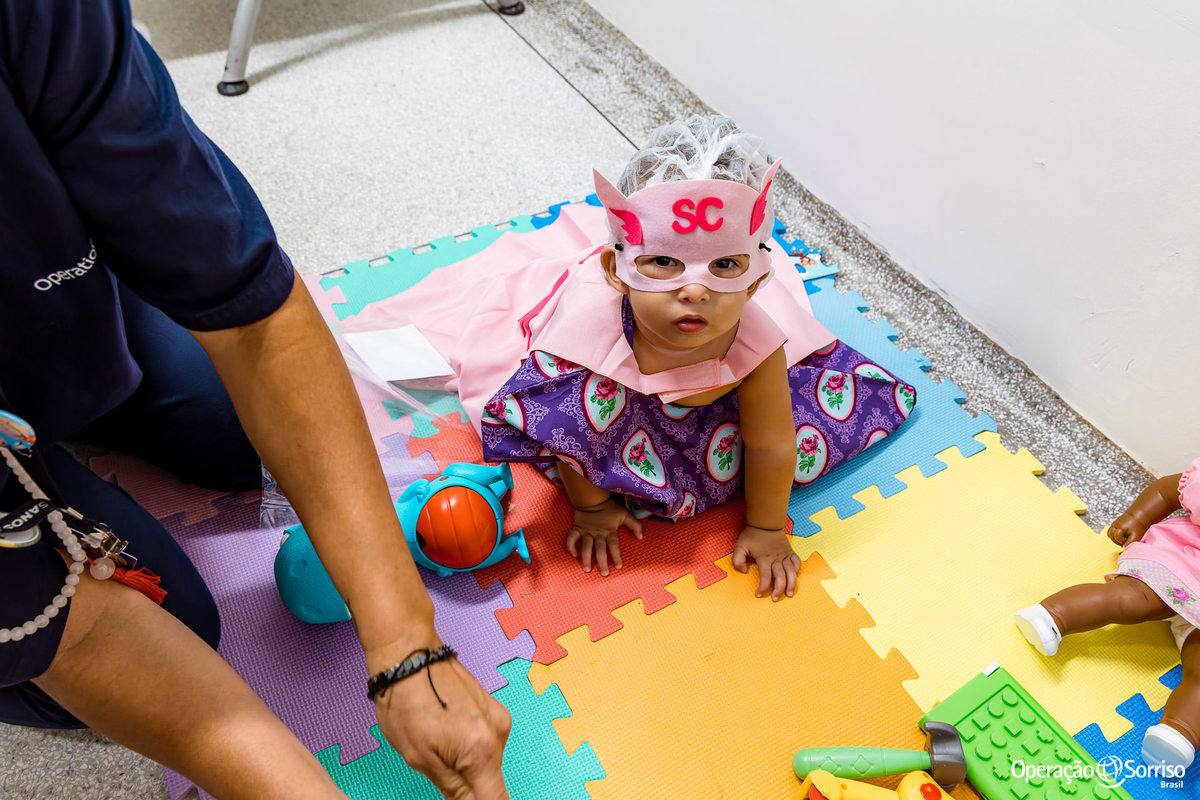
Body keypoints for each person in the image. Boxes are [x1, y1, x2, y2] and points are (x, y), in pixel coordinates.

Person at [0, 3, 510, 799]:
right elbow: (80, 629)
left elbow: (250, 309)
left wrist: (409, 648)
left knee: (240, 439)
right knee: (175, 629)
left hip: (47, 300)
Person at [351, 115, 918, 602]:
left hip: (707, 407)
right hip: (610, 398)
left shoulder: (754, 335)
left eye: (723, 267)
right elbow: (569, 433)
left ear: (755, 283)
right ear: (615, 272)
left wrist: (768, 526)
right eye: (664, 263)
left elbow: (770, 440)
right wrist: (593, 509)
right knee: (570, 420)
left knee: (813, 422)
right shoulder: (582, 340)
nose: (694, 290)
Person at [1015, 459, 1200, 770]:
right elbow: (1168, 492)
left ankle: (1179, 732)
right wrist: (1136, 518)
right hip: (1178, 567)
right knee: (1133, 600)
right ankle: (1055, 615)